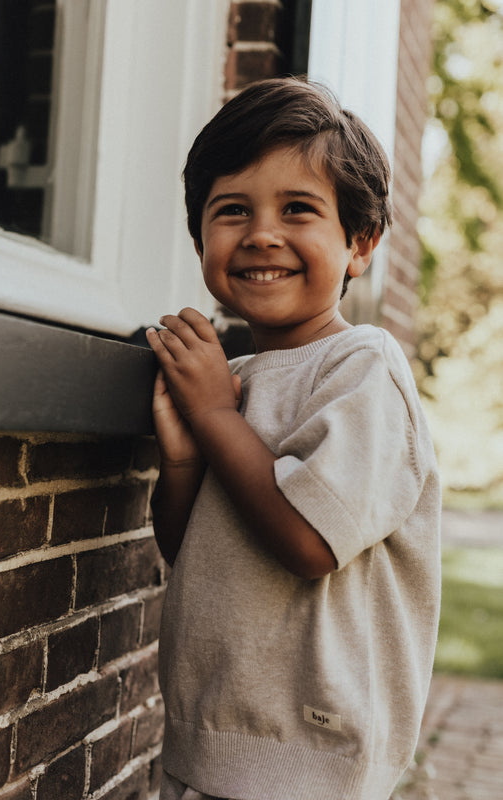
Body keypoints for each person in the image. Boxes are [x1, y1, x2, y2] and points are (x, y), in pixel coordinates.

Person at [146, 77, 441, 800]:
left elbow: (309, 543)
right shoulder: (232, 372)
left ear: (359, 244)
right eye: (232, 211)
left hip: (305, 756)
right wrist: (185, 463)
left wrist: (217, 418)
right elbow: (197, 550)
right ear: (199, 237)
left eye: (298, 209)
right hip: (210, 740)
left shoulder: (361, 367)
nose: (260, 234)